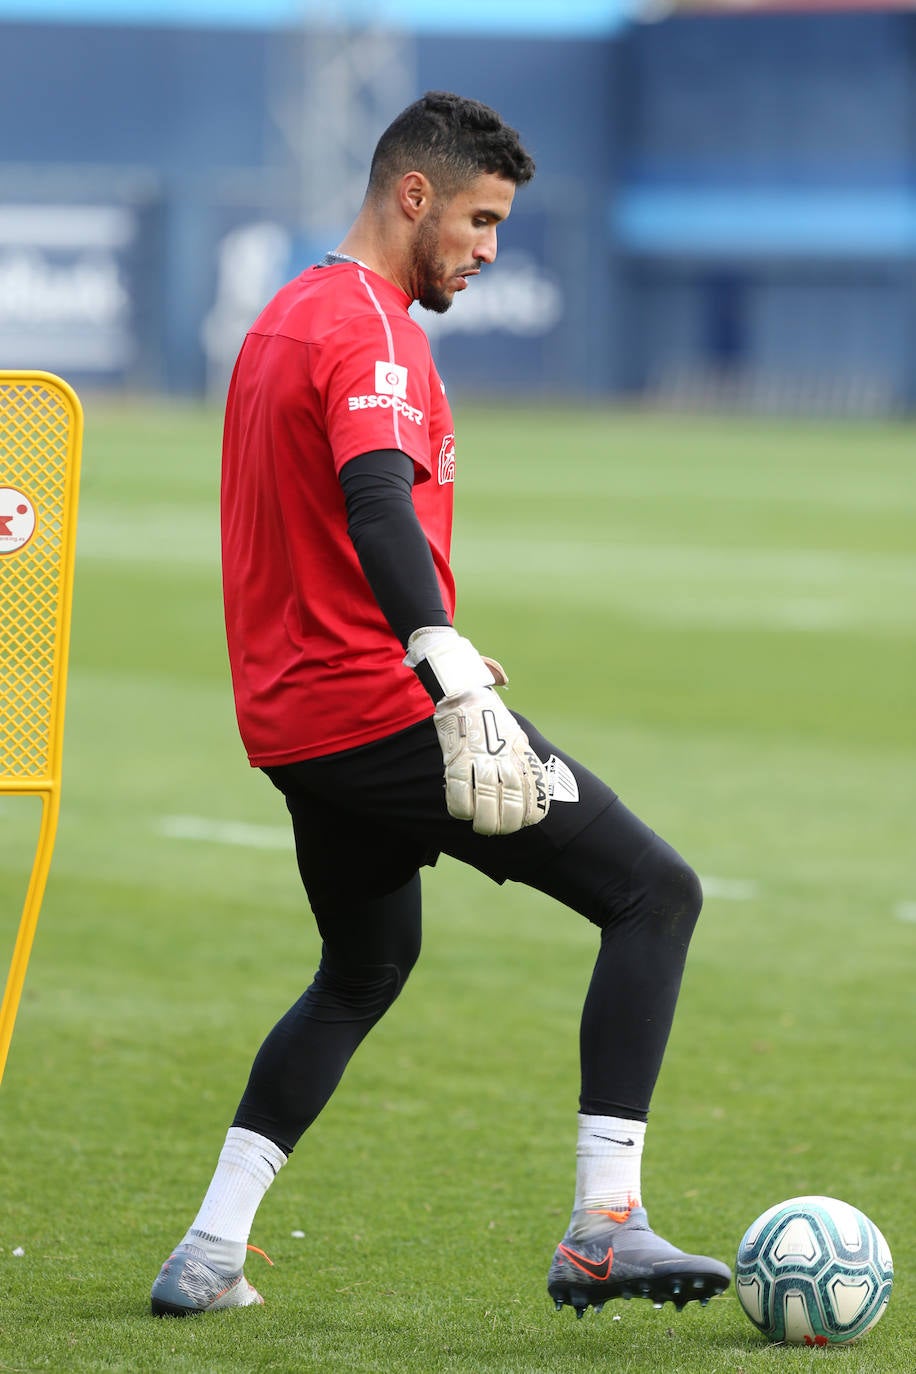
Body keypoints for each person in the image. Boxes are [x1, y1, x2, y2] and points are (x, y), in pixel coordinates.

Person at [150, 90, 731, 1320]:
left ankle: (209, 1249)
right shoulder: (366, 328)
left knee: (366, 969)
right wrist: (442, 658)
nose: (488, 247)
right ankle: (602, 1229)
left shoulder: (287, 318)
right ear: (411, 195)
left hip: (297, 724)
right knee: (654, 893)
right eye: (478, 218)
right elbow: (373, 501)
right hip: (380, 708)